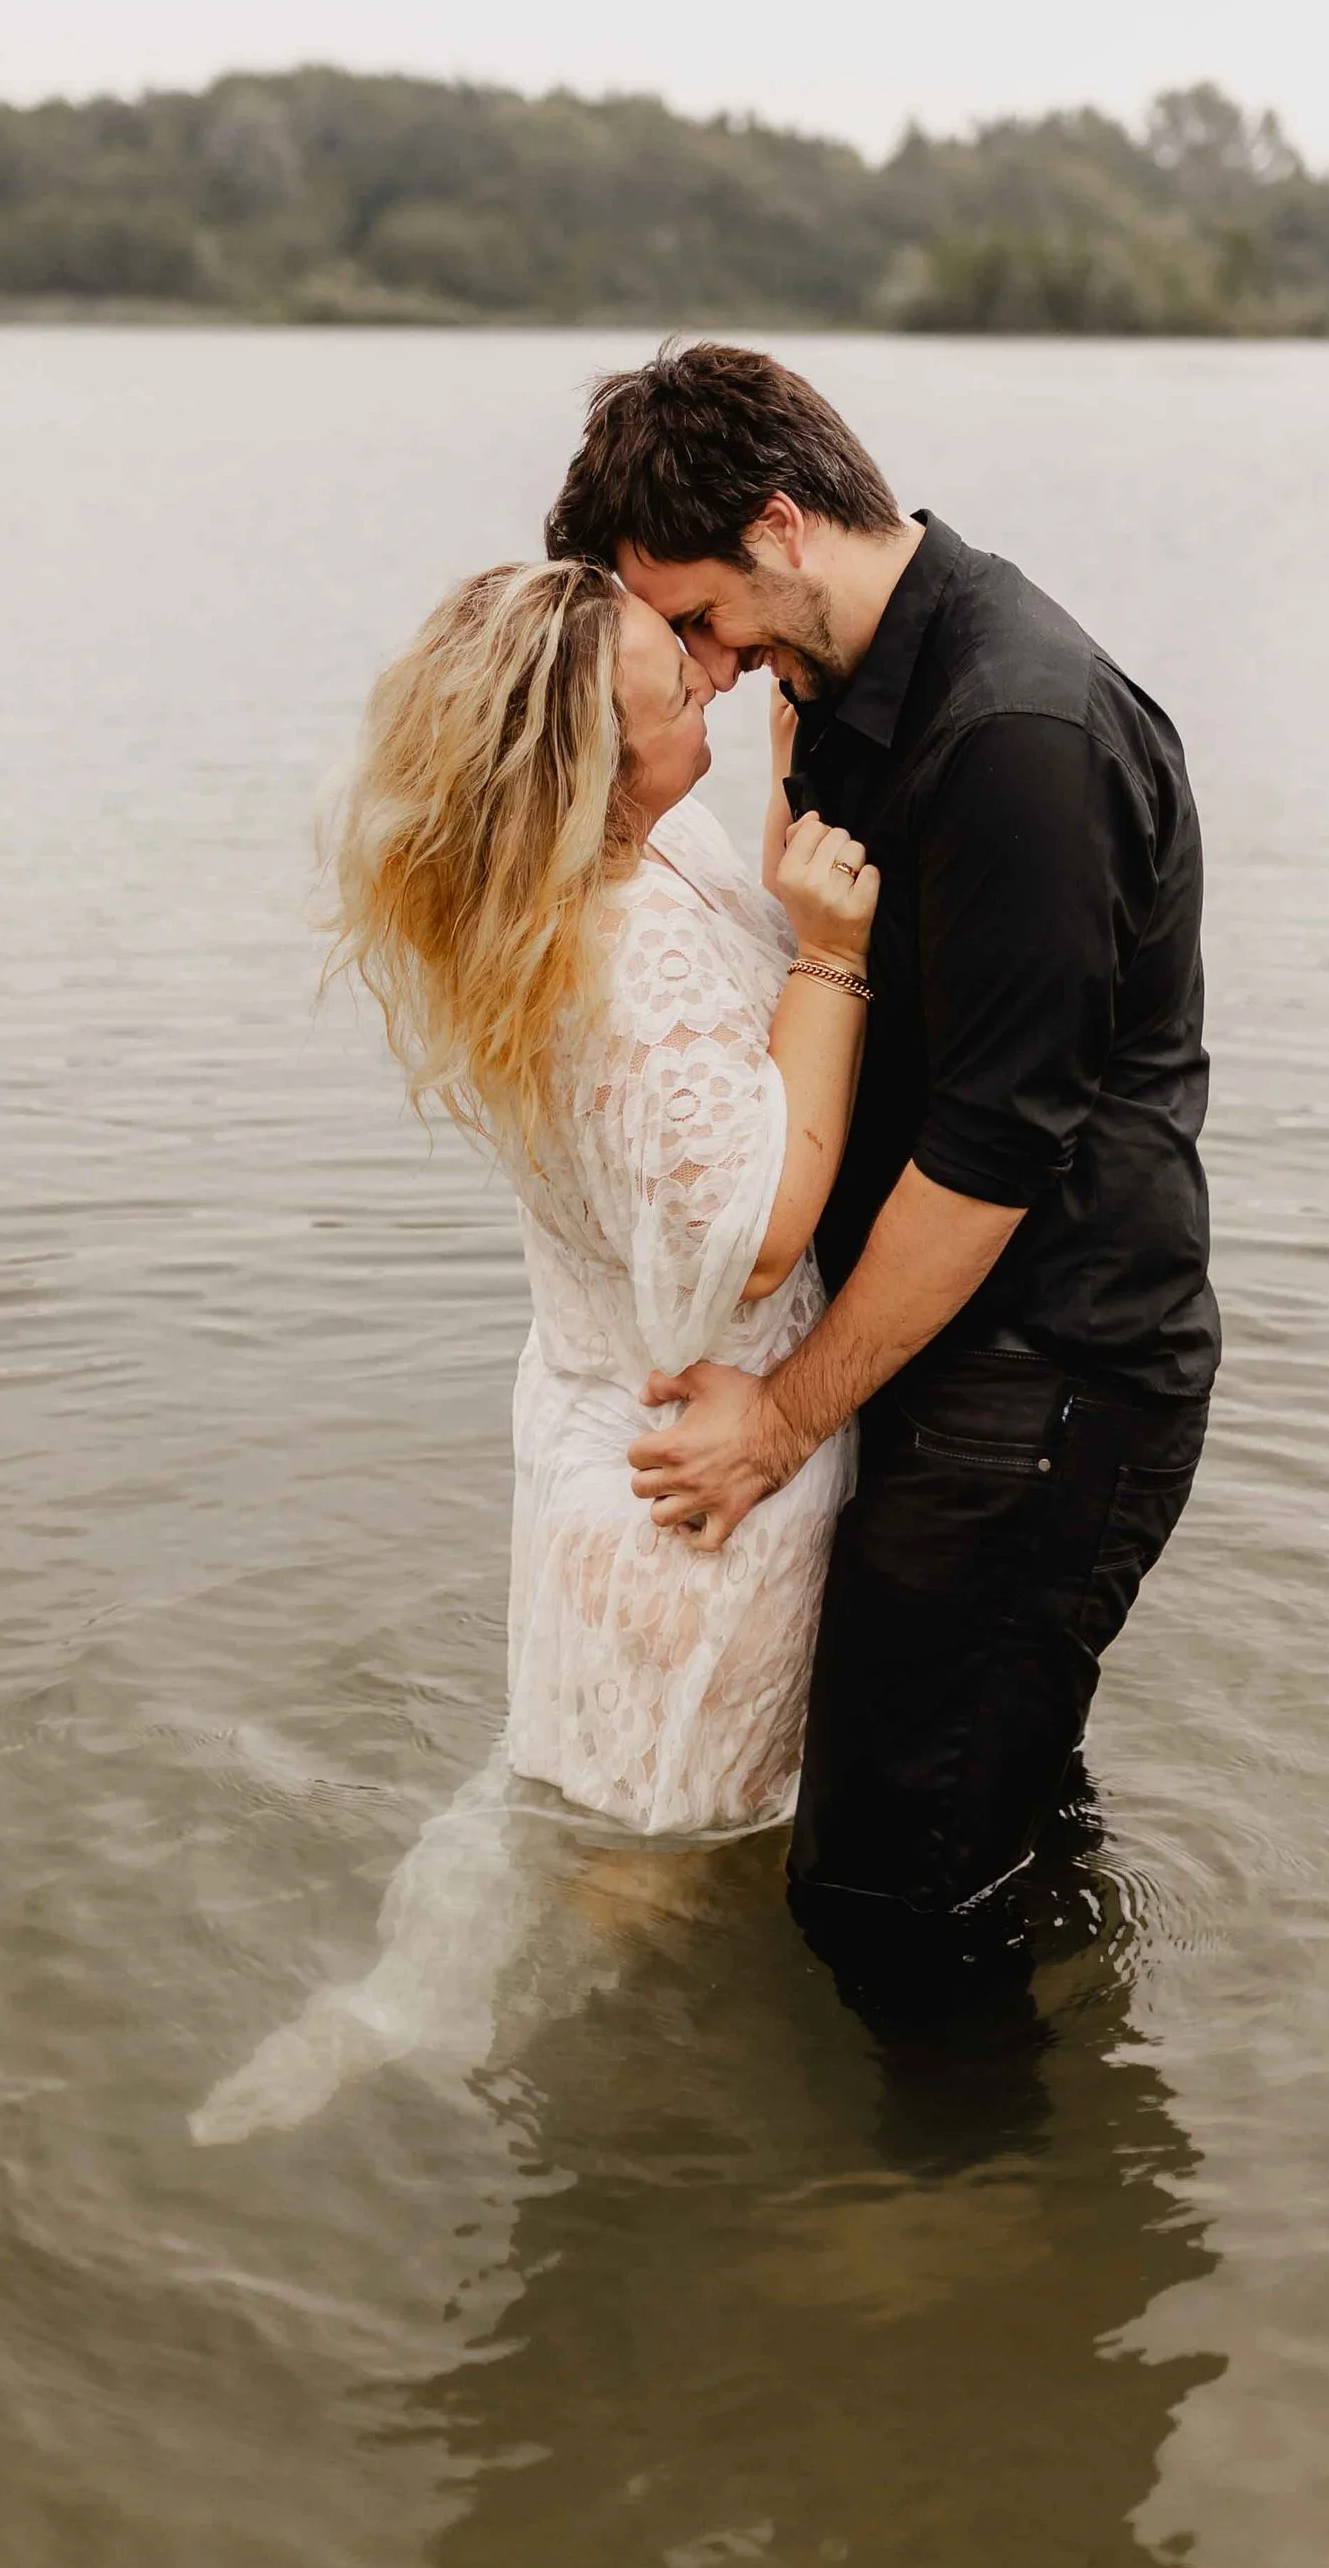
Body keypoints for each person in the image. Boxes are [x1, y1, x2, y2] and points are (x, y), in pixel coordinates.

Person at [544, 344, 1218, 2012]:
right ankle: (1036, 2110)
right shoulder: (832, 690)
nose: (691, 667)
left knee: (879, 1885)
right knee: (981, 1807)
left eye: (696, 618)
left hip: (1048, 1377)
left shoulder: (1021, 734)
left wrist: (779, 1421)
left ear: (781, 523)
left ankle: (940, 2224)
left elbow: (990, 1163)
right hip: (936, 1356)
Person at [192, 556, 880, 2139]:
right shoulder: (625, 949)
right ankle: (593, 2143)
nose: (711, 678)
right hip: (695, 1472)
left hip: (593, 1431)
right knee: (655, 1871)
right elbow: (751, 1241)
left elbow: (697, 1029)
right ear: (594, 762)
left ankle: (395, 2001)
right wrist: (834, 953)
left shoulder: (552, 888)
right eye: (673, 685)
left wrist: (780, 833)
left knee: (554, 1788)